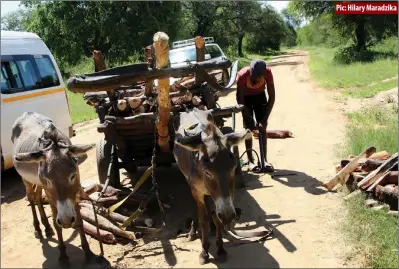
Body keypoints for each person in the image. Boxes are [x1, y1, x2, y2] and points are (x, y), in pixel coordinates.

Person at [236, 59, 275, 172]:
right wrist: (248, 117)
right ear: (251, 71)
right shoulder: (242, 75)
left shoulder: (268, 73)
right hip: (245, 100)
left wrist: (265, 119)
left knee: (263, 128)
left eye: (259, 76)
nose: (257, 78)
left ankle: (264, 160)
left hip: (260, 97)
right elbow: (240, 99)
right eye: (255, 75)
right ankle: (250, 161)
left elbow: (272, 97)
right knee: (248, 129)